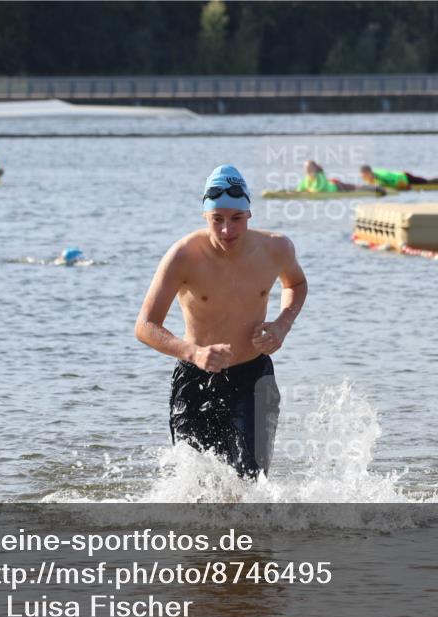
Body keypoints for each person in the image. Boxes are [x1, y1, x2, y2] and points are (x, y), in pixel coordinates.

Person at [135, 164, 308, 479]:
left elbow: (295, 285)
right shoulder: (182, 256)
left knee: (251, 482)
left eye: (236, 219)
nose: (227, 231)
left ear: (249, 215)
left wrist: (282, 325)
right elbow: (145, 326)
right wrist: (194, 353)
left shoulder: (276, 248)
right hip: (195, 380)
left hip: (254, 378)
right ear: (205, 216)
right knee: (197, 486)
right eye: (218, 220)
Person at [360, 165, 438, 190]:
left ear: (369, 172)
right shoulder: (373, 175)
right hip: (402, 177)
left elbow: (383, 185)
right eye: (362, 175)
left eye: (364, 174)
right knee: (427, 181)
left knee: (429, 182)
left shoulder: (378, 176)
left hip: (405, 178)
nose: (363, 176)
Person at [296, 160, 361, 193]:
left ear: (314, 168)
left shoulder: (320, 176)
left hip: (337, 187)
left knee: (356, 188)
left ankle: (367, 187)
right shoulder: (306, 178)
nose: (306, 169)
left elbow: (319, 189)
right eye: (305, 167)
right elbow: (300, 187)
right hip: (332, 184)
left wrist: (308, 191)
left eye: (308, 167)